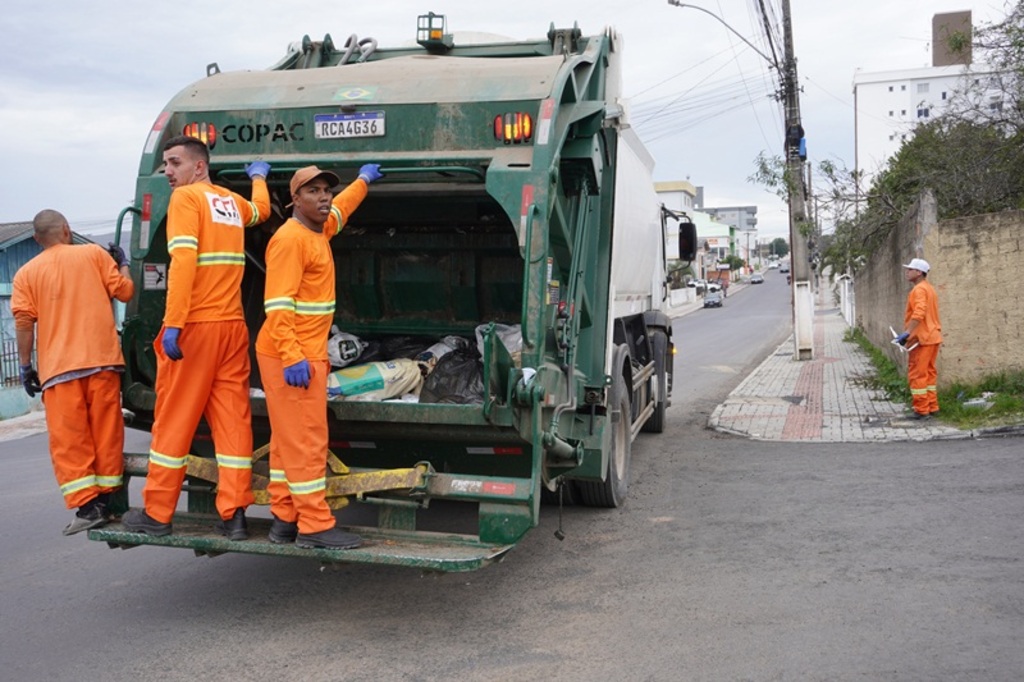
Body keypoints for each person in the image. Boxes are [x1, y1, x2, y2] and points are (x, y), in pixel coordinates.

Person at [122, 135, 271, 540]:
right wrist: (259, 177)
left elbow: (184, 261)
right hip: (233, 328)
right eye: (165, 164)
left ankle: (157, 513)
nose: (167, 171)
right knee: (233, 424)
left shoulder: (186, 201)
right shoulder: (229, 202)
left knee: (174, 421)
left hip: (196, 329)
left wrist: (173, 323)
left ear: (199, 166)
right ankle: (235, 515)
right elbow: (261, 210)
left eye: (174, 163)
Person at [255, 163, 382, 549]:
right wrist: (293, 356)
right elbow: (277, 306)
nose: (324, 197)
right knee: (307, 441)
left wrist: (363, 181)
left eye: (326, 189)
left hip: (296, 353)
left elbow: (341, 209)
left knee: (286, 441)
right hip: (292, 355)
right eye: (313, 191)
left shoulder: (319, 229)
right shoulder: (291, 240)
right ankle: (314, 525)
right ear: (295, 199)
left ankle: (284, 518)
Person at [11, 210, 134, 535]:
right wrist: (121, 263)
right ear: (66, 230)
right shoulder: (94, 254)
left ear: (37, 239)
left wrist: (26, 367)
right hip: (103, 363)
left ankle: (87, 507)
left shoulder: (26, 273)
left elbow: (23, 323)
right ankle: (107, 501)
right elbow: (124, 292)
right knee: (107, 432)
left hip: (59, 371)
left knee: (70, 441)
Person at [894, 257, 943, 419]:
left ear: (919, 272)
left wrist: (907, 333)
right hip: (932, 337)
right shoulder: (929, 289)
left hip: (921, 340)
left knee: (918, 375)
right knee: (929, 374)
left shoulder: (919, 290)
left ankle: (921, 410)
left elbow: (919, 313)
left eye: (910, 269)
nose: (906, 272)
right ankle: (932, 406)